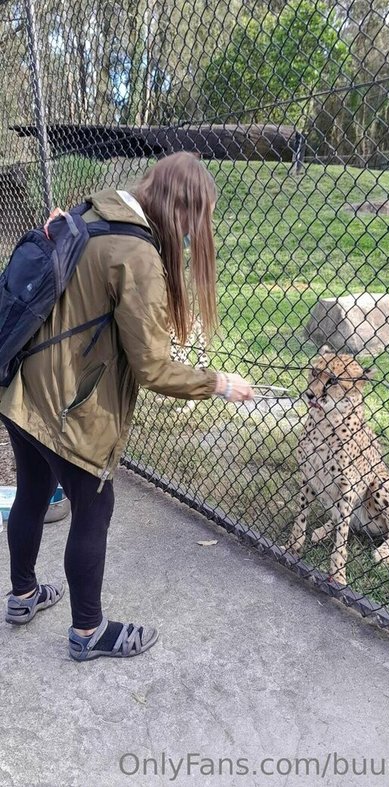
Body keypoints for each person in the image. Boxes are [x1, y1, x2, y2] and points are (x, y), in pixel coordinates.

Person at [0, 152, 254, 661]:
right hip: (71, 405)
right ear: (181, 210)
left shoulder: (91, 211)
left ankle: (22, 596)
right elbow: (153, 369)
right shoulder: (137, 255)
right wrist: (219, 383)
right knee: (94, 510)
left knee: (33, 489)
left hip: (22, 387)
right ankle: (88, 632)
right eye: (196, 222)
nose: (193, 235)